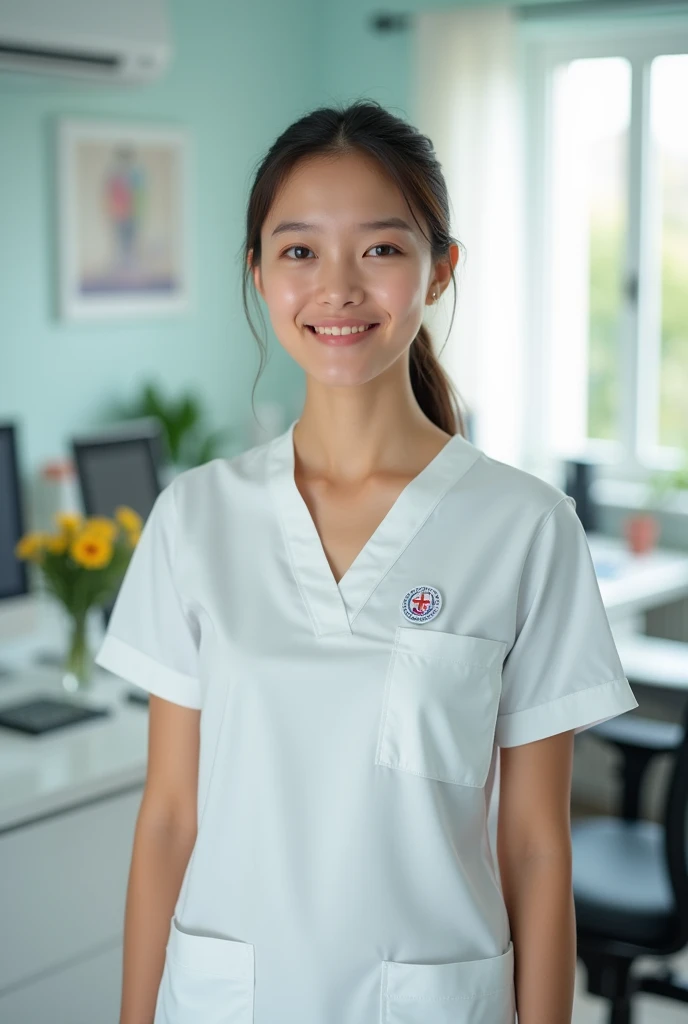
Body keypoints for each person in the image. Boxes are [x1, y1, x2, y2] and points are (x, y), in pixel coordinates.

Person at [94, 100, 639, 1024]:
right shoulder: (195, 518)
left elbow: (538, 846)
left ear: (439, 271)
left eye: (381, 249)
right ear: (259, 273)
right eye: (299, 250)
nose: (338, 287)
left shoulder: (525, 526)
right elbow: (170, 818)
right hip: (228, 1002)